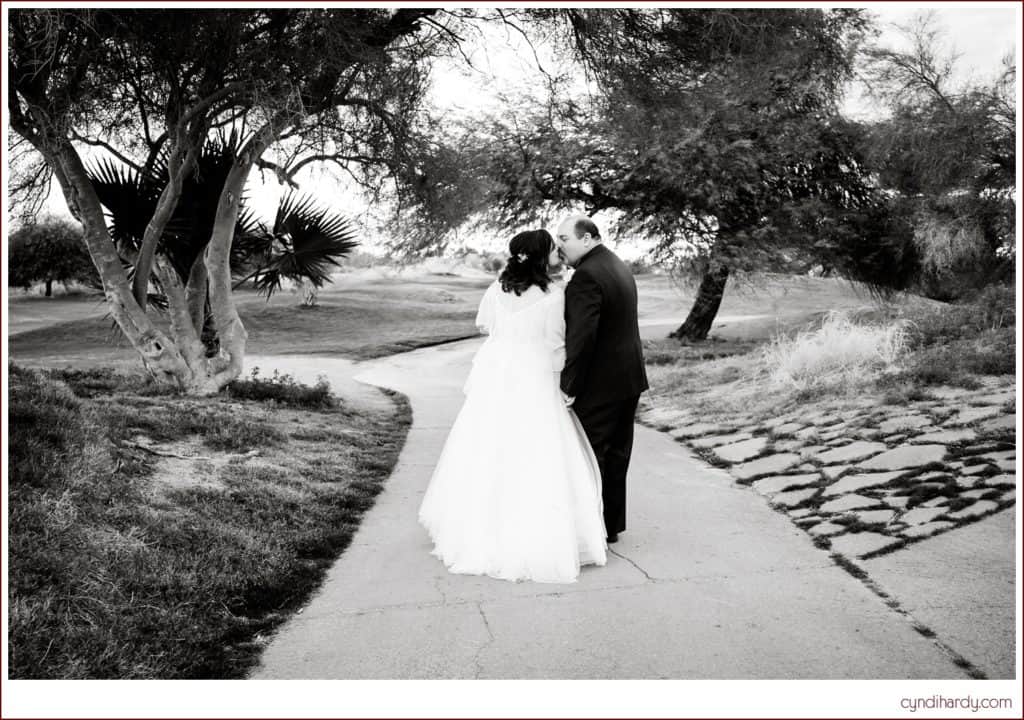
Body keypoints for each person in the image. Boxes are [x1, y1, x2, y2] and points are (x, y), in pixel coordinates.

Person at [418, 229, 607, 583]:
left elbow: (487, 329)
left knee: (489, 447)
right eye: (554, 249)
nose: (558, 253)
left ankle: (479, 529)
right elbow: (555, 346)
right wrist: (563, 386)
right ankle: (532, 534)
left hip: (498, 378)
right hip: (534, 378)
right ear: (541, 256)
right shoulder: (554, 295)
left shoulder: (495, 290)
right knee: (537, 451)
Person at [555, 215, 648, 544]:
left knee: (590, 454)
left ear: (588, 238)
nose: (559, 246)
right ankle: (610, 526)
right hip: (628, 377)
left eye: (564, 238)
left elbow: (582, 339)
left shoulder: (586, 277)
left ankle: (591, 530)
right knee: (617, 454)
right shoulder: (617, 265)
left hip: (601, 384)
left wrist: (569, 386)